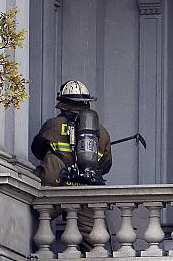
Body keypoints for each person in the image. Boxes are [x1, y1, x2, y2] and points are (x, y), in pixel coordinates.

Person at [31, 80, 112, 242]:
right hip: (86, 189)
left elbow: (37, 150)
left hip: (53, 185)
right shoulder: (101, 132)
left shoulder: (52, 125)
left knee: (33, 227)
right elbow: (106, 165)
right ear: (86, 103)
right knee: (95, 242)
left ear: (63, 102)